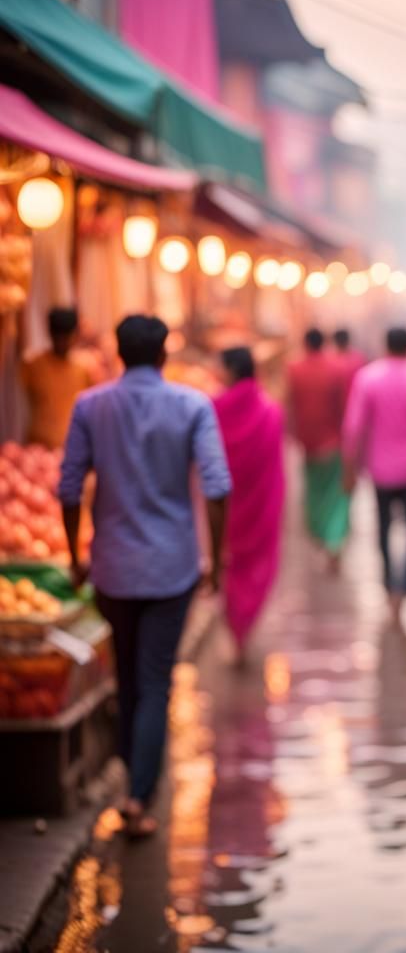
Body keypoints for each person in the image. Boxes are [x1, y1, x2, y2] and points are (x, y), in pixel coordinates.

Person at [58, 315, 230, 838]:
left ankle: (132, 778)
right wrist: (216, 558)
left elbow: (69, 487)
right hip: (171, 567)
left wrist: (75, 555)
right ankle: (138, 795)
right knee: (154, 681)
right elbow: (218, 486)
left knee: (128, 676)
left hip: (112, 566)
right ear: (163, 356)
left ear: (119, 353)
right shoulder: (192, 406)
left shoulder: (90, 406)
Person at [343, 327, 406, 619]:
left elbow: (354, 427)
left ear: (385, 345)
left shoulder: (367, 377)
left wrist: (349, 468)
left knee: (384, 528)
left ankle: (391, 584)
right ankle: (405, 580)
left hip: (381, 470)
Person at [213, 347, 285, 663]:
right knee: (254, 566)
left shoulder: (213, 409)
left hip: (224, 507)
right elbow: (276, 467)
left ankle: (234, 630)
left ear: (230, 370)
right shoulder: (271, 411)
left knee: (228, 564)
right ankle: (244, 628)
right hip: (259, 504)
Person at [287, 328, 349, 573]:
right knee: (336, 497)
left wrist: (294, 435)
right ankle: (334, 541)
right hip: (333, 443)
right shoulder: (337, 369)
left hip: (309, 443)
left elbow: (290, 405)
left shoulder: (294, 369)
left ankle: (321, 534)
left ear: (305, 344)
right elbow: (343, 407)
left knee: (314, 494)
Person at [20, 307, 93, 449]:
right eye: (58, 337)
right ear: (50, 334)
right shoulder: (33, 366)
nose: (62, 343)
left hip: (72, 447)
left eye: (66, 338)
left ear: (74, 336)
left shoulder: (84, 368)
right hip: (39, 449)